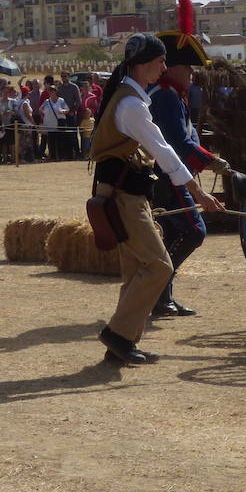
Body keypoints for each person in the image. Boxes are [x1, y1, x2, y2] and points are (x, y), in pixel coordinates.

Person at [89, 33, 223, 365]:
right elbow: (165, 151)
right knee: (159, 266)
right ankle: (118, 335)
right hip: (123, 199)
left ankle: (122, 343)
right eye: (161, 61)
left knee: (137, 271)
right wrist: (199, 192)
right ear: (147, 65)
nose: (164, 67)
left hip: (128, 195)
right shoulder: (132, 105)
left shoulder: (131, 98)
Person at [148, 0, 232, 318]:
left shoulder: (172, 95)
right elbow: (179, 144)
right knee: (192, 231)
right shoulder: (167, 96)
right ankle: (156, 291)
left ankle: (160, 295)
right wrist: (212, 161)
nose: (193, 74)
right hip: (168, 176)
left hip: (172, 175)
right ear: (171, 68)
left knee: (175, 233)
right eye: (188, 67)